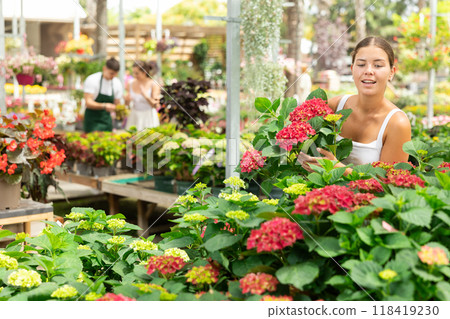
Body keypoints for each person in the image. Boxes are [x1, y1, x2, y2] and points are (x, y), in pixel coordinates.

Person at [299, 36, 411, 173]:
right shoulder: (335, 106)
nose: (368, 71)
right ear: (352, 69)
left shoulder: (397, 123)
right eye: (361, 64)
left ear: (391, 73)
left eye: (378, 65)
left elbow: (390, 184)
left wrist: (338, 170)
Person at [83, 57, 123, 133]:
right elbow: (88, 102)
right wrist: (104, 106)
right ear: (104, 68)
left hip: (106, 121)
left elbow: (117, 103)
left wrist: (120, 111)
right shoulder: (93, 80)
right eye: (111, 73)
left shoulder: (117, 83)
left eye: (115, 74)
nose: (113, 76)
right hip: (92, 121)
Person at [125, 60, 161, 131]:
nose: (134, 75)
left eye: (137, 73)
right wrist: (127, 100)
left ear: (144, 72)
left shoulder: (153, 84)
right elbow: (127, 104)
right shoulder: (130, 83)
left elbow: (156, 105)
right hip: (134, 117)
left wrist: (146, 96)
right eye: (134, 73)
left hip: (148, 118)